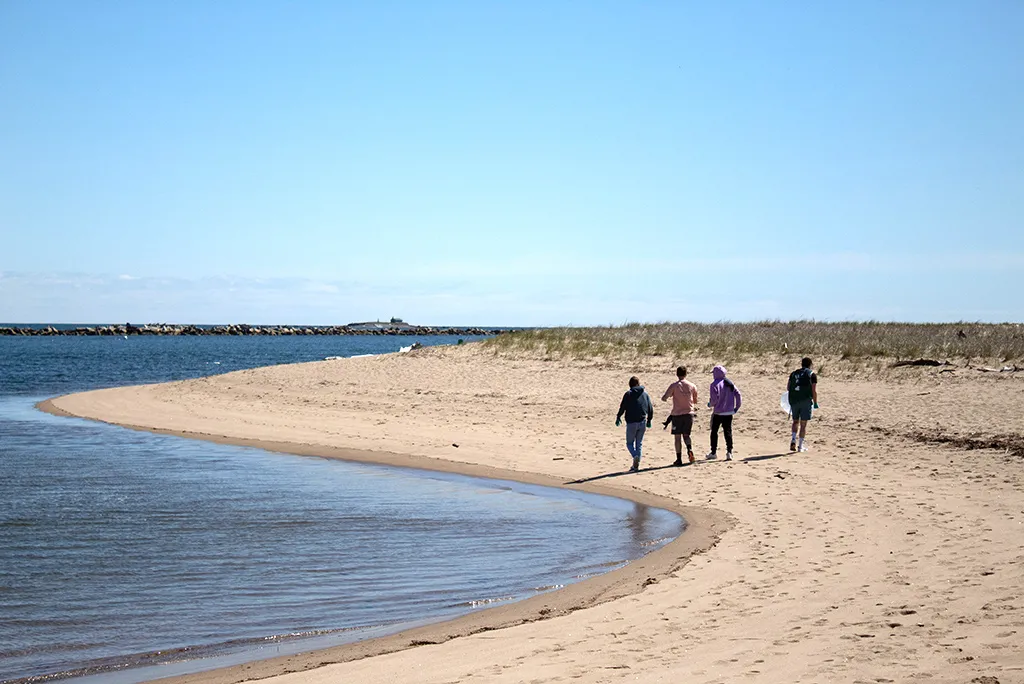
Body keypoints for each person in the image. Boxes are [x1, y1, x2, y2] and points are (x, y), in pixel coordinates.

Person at [662, 366, 698, 466]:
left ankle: (679, 458)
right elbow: (695, 401)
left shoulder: (674, 385)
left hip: (677, 415)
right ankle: (690, 450)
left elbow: (665, 397)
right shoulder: (692, 386)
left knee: (677, 437)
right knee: (686, 435)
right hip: (689, 414)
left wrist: (666, 397)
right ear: (686, 374)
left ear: (677, 374)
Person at [616, 376, 654, 472]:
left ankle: (635, 456)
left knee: (629, 443)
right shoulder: (645, 394)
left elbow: (623, 407)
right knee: (639, 444)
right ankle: (636, 465)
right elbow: (650, 408)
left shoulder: (628, 394)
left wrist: (618, 416)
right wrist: (649, 420)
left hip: (631, 422)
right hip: (642, 422)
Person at [706, 365, 741, 461]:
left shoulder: (714, 384)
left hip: (718, 413)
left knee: (714, 432)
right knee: (728, 432)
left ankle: (713, 452)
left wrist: (710, 404)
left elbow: (714, 400)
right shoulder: (729, 383)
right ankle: (729, 452)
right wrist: (736, 407)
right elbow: (738, 394)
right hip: (729, 412)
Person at [787, 357, 818, 452]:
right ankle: (800, 446)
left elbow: (788, 387)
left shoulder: (793, 373)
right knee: (803, 424)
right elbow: (814, 390)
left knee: (795, 421)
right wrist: (815, 402)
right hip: (805, 400)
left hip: (794, 400)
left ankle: (793, 439)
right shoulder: (812, 374)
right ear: (810, 364)